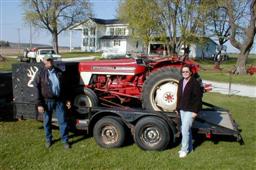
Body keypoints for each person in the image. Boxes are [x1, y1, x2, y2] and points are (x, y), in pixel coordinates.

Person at [36, 55, 70, 149]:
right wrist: (39, 104)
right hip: (47, 101)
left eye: (50, 60)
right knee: (47, 122)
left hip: (59, 100)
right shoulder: (41, 73)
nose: (49, 62)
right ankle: (48, 140)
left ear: (52, 61)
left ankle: (65, 140)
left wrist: (66, 99)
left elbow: (64, 88)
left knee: (62, 121)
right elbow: (37, 89)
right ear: (43, 61)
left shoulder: (59, 72)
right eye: (47, 60)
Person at [176, 64, 203, 158]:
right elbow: (179, 96)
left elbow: (198, 99)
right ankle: (190, 147)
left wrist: (195, 111)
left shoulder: (194, 83)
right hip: (182, 109)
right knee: (187, 129)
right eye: (183, 72)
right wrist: (177, 108)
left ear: (191, 72)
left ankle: (184, 150)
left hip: (190, 110)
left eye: (187, 71)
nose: (185, 73)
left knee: (184, 129)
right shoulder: (181, 81)